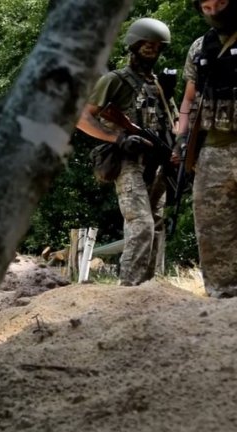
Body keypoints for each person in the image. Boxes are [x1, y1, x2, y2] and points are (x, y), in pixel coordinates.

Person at [76, 18, 177, 286]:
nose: (151, 49)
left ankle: (148, 289)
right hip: (128, 161)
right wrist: (117, 137)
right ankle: (129, 289)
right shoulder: (115, 80)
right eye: (146, 44)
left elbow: (174, 123)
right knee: (141, 223)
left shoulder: (160, 85)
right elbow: (82, 118)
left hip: (158, 164)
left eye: (156, 46)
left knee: (156, 225)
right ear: (133, 45)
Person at [175, 0, 237, 298]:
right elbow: (189, 98)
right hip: (214, 148)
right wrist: (182, 136)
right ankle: (223, 299)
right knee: (213, 227)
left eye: (221, 3)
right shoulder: (200, 47)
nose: (214, 12)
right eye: (207, 6)